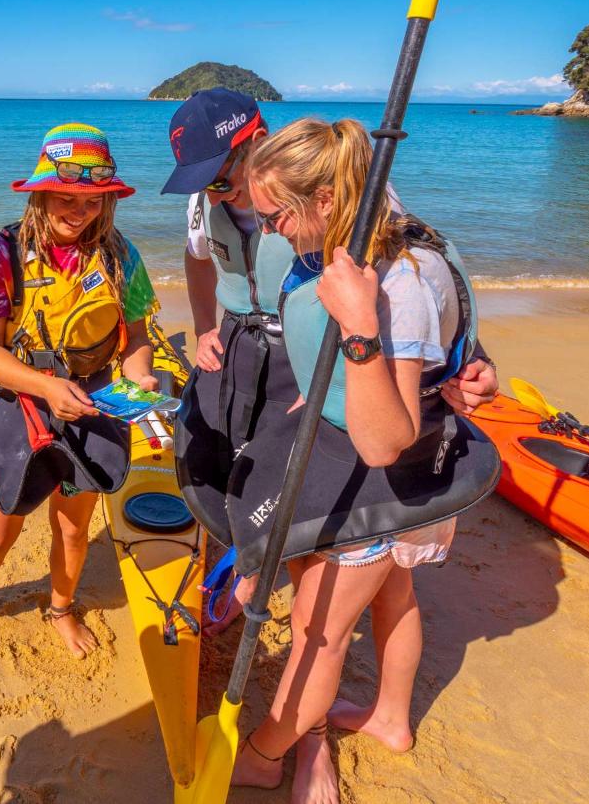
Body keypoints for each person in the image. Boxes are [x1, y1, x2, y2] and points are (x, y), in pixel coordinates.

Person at [229, 117, 503, 803]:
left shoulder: (395, 284)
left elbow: (386, 438)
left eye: (276, 216)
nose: (269, 232)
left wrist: (357, 324)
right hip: (394, 470)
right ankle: (390, 719)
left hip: (385, 481)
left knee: (316, 633)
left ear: (325, 200)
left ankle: (264, 756)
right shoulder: (376, 220)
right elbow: (453, 348)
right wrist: (475, 369)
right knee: (395, 593)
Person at [162, 90, 497, 634]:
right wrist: (203, 327)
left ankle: (258, 575)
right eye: (205, 185)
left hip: (310, 354)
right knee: (234, 460)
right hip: (241, 341)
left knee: (291, 471)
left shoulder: (340, 189)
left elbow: (414, 273)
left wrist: (472, 358)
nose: (218, 198)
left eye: (224, 180)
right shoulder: (206, 203)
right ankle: (235, 561)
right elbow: (197, 258)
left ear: (257, 140)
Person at [0, 123, 159, 657]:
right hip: (16, 401)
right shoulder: (2, 255)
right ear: (40, 192)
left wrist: (139, 377)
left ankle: (60, 607)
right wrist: (44, 385)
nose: (77, 209)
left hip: (89, 403)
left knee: (72, 530)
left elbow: (136, 335)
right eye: (64, 196)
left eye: (91, 200)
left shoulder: (120, 257)